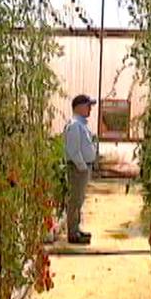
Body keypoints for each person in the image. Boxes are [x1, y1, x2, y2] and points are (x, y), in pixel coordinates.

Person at [64, 94, 98, 244]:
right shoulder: (74, 125)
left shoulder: (81, 124)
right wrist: (83, 167)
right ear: (79, 107)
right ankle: (72, 233)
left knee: (79, 200)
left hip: (83, 168)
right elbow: (73, 150)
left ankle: (76, 229)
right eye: (88, 105)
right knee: (75, 200)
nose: (90, 109)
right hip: (78, 169)